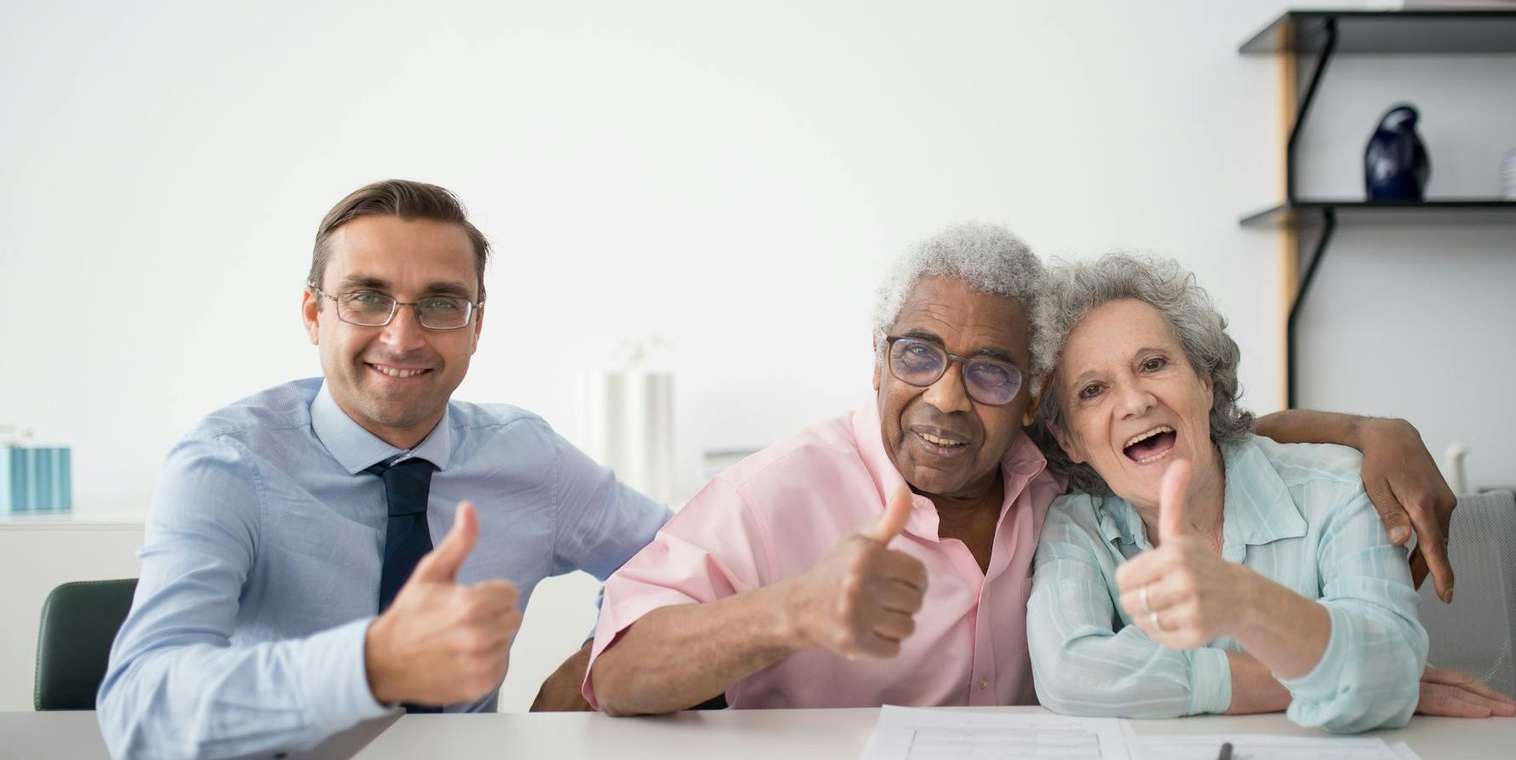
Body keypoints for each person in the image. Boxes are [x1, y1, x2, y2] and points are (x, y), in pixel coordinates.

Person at [584, 222, 1470, 716]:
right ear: (878, 357)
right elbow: (618, 671)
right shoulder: (771, 493)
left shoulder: (1045, 469)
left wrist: (1369, 430)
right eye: (918, 354)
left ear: (1031, 400)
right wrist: (794, 609)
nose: (947, 400)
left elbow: (1202, 432)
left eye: (990, 372)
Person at [98, 180, 671, 760]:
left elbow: (690, 562)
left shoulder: (530, 458)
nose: (402, 338)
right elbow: (140, 708)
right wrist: (371, 665)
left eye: (442, 303)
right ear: (313, 315)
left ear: (476, 326)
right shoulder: (224, 465)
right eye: (367, 298)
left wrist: (590, 673)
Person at [1027, 252, 1516, 732]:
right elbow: (1069, 673)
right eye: (1092, 390)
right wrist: (1319, 680)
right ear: (1069, 439)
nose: (1135, 402)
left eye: (1154, 364)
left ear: (1205, 383)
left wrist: (1244, 602)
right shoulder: (1075, 526)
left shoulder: (1336, 488)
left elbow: (1388, 663)